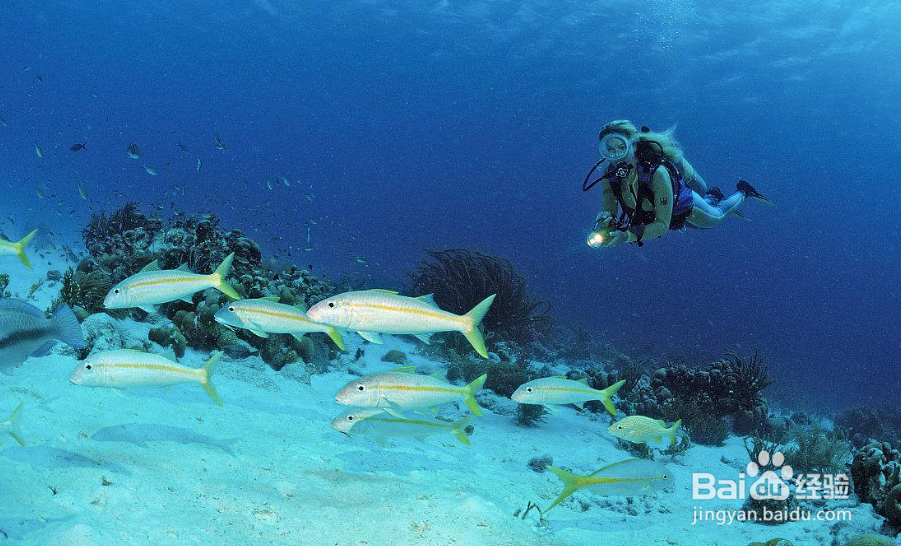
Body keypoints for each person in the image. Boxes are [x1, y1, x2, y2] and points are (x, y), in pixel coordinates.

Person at [583, 120, 771, 248]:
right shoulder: (610, 173)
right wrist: (606, 220)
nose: (615, 154)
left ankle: (744, 191)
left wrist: (627, 236)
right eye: (609, 149)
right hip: (660, 214)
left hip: (685, 211)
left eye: (621, 146)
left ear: (632, 144)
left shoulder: (657, 173)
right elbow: (609, 204)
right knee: (707, 210)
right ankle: (712, 195)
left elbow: (662, 225)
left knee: (716, 218)